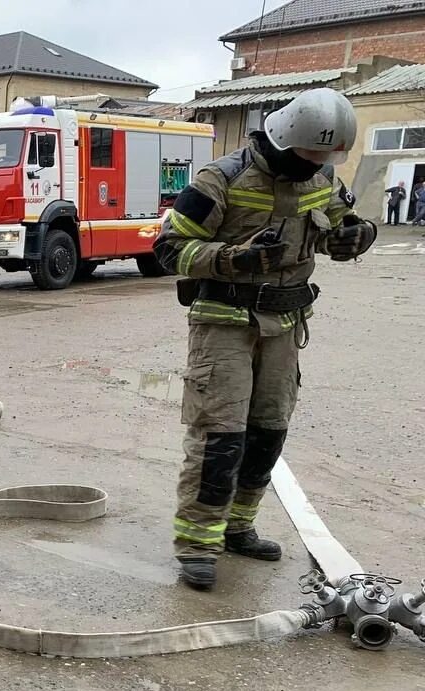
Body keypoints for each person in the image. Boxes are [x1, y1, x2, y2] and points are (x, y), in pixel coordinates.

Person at [153, 88, 376, 591]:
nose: (319, 164)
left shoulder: (321, 177)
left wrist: (356, 237)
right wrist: (233, 258)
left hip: (285, 324)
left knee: (268, 431)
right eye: (311, 154)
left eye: (327, 156)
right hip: (224, 321)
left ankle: (238, 527)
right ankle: (198, 543)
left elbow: (337, 229)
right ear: (285, 138)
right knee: (220, 437)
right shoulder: (221, 179)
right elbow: (168, 249)